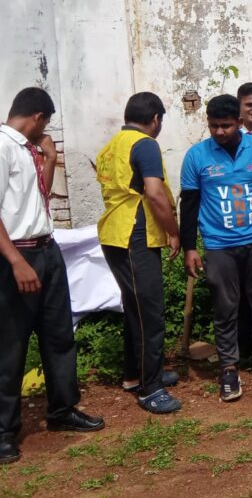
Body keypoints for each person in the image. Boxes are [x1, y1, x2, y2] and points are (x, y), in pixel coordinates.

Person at [0, 88, 104, 464]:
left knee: (59, 335)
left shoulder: (28, 151)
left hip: (47, 250)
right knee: (10, 347)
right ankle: (3, 432)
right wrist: (15, 262)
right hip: (18, 256)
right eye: (47, 124)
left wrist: (50, 158)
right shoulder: (3, 147)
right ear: (39, 117)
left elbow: (36, 198)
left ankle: (62, 410)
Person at [180, 95, 252, 402]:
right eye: (213, 126)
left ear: (239, 124)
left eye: (225, 126)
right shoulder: (196, 156)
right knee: (226, 308)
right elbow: (189, 205)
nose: (219, 132)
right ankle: (229, 367)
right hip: (219, 245)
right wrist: (190, 247)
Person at [95, 92, 182, 414]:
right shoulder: (145, 144)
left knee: (135, 307)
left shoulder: (111, 145)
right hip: (135, 234)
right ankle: (151, 388)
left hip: (115, 233)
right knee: (149, 310)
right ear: (156, 118)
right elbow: (155, 194)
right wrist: (174, 231)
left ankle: (137, 374)